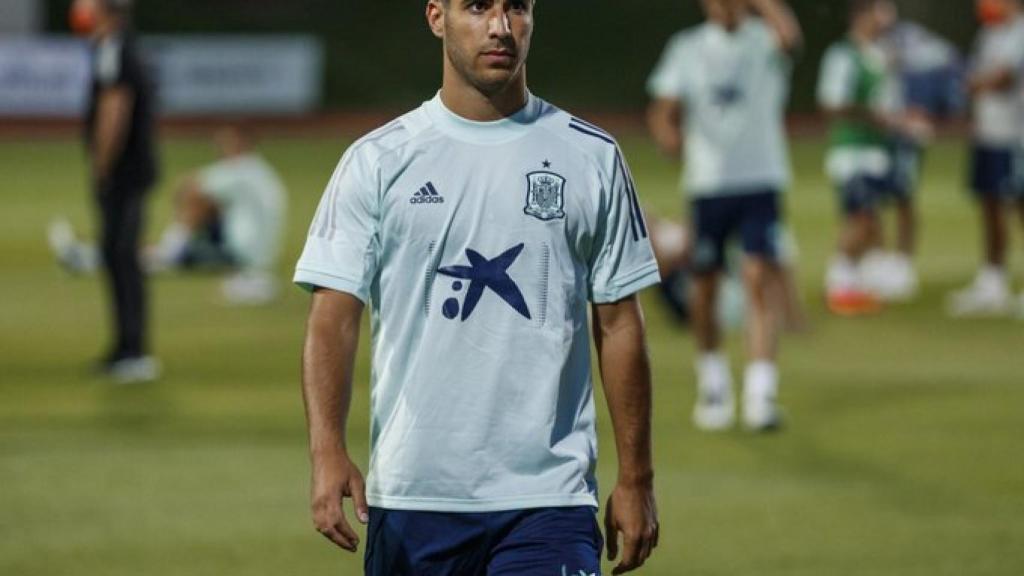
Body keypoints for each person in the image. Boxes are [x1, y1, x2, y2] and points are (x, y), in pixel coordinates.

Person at [295, 1, 660, 574]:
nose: (500, 26)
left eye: (516, 7)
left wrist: (637, 478)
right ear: (436, 17)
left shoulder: (592, 157)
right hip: (415, 495)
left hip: (550, 498)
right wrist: (327, 451)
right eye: (477, 7)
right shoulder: (377, 161)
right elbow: (332, 318)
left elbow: (618, 324)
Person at [646, 0, 802, 432]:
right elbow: (664, 104)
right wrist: (668, 132)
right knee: (706, 286)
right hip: (708, 184)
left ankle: (759, 394)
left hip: (760, 179)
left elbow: (791, 40)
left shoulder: (763, 39)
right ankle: (713, 383)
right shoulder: (688, 46)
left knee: (758, 278)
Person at [49, 127, 288, 306]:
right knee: (198, 213)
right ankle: (160, 250)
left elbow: (188, 186)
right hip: (256, 252)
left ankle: (87, 259)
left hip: (238, 255)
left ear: (240, 143)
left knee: (152, 256)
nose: (219, 149)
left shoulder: (240, 168)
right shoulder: (260, 171)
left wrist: (182, 221)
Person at [817, 0, 931, 316]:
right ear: (860, 16)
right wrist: (877, 118)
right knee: (861, 217)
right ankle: (839, 279)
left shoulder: (880, 54)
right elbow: (831, 104)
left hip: (879, 150)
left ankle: (860, 277)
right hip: (853, 151)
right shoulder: (843, 55)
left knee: (874, 215)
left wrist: (904, 121)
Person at [70, 0, 159, 382]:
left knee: (122, 258)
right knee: (118, 257)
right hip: (131, 171)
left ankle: (133, 351)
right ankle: (125, 347)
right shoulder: (120, 48)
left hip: (124, 173)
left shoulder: (114, 50)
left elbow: (114, 109)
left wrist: (102, 164)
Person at [862, 3, 962, 302]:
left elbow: (948, 60)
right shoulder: (863, 45)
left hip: (904, 135)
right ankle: (878, 261)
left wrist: (934, 110)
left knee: (904, 196)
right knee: (871, 200)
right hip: (874, 135)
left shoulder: (910, 38)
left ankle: (903, 265)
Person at [947, 0, 1024, 317]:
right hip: (989, 132)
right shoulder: (989, 34)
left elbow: (1004, 77)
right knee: (990, 205)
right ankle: (993, 282)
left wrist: (969, 84)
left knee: (1020, 207)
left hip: (1017, 137)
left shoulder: (1020, 31)